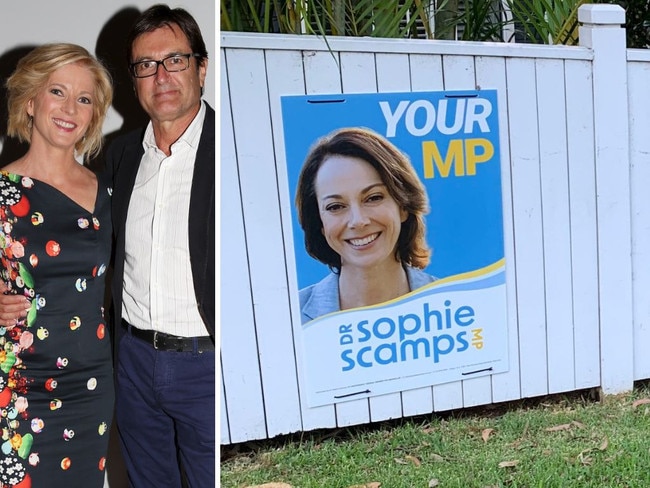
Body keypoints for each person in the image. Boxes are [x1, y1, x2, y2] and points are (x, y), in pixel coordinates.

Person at [105, 4, 215, 487]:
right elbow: (82, 248)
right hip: (133, 361)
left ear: (201, 67)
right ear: (135, 80)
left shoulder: (231, 146)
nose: (161, 75)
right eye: (146, 65)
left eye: (175, 60)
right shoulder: (119, 154)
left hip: (206, 365)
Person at [0, 43, 114, 487]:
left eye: (84, 99)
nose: (71, 109)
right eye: (58, 92)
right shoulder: (4, 192)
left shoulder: (108, 190)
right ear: (30, 101)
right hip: (19, 384)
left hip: (91, 386)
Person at [295, 127, 435, 324]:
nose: (358, 221)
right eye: (335, 206)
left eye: (373, 198)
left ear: (403, 206)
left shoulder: (457, 306)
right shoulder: (287, 318)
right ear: (320, 224)